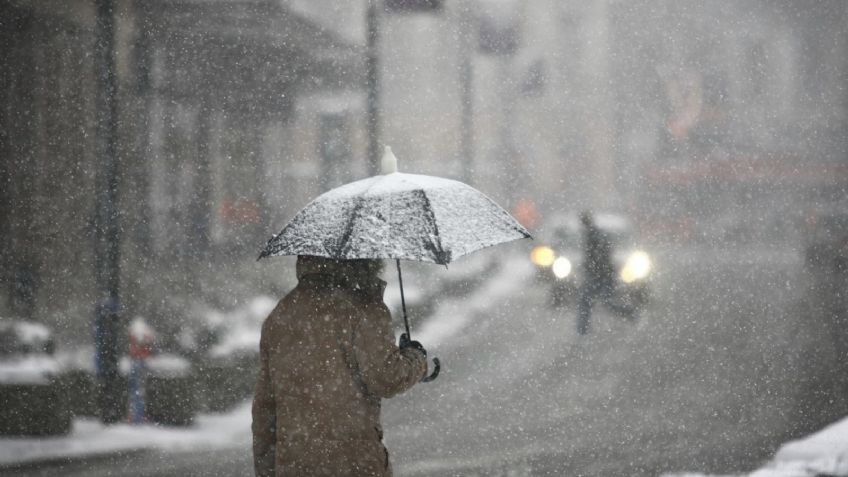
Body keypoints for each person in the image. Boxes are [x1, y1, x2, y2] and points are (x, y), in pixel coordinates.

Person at [252, 255, 428, 477]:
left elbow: (265, 409)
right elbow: (387, 378)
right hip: (353, 462)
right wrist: (416, 358)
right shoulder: (364, 308)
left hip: (294, 465)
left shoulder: (281, 314)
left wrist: (267, 469)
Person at [576, 211, 617, 335]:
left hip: (599, 275)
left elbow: (598, 256)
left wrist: (592, 267)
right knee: (597, 301)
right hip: (601, 274)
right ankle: (582, 330)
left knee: (594, 301)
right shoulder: (593, 234)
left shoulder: (593, 235)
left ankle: (582, 330)